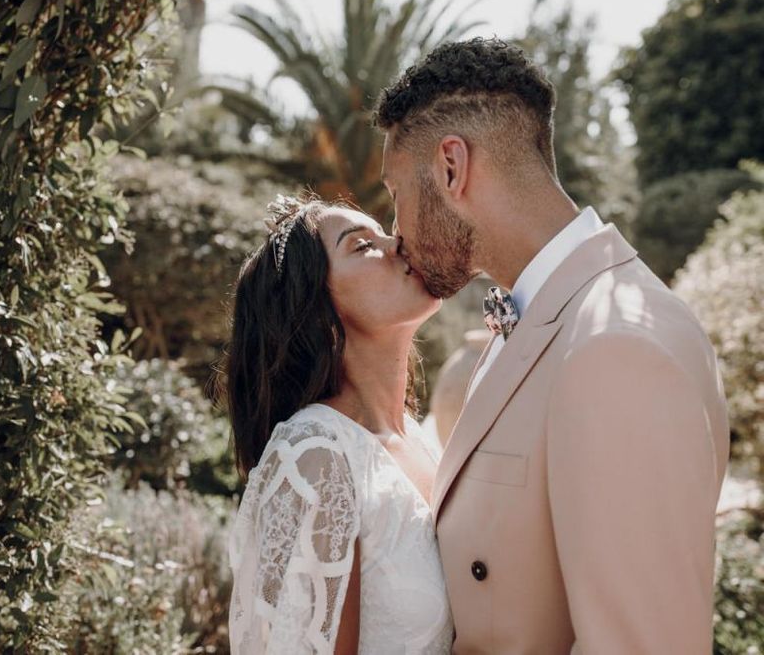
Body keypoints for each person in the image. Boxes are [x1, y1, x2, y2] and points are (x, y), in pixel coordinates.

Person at [374, 37, 730, 654]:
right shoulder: (548, 315)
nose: (395, 232)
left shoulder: (614, 346)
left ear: (451, 167)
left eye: (395, 193)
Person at [221, 194, 453, 654]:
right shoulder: (316, 455)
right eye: (362, 246)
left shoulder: (423, 443)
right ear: (318, 314)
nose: (396, 243)